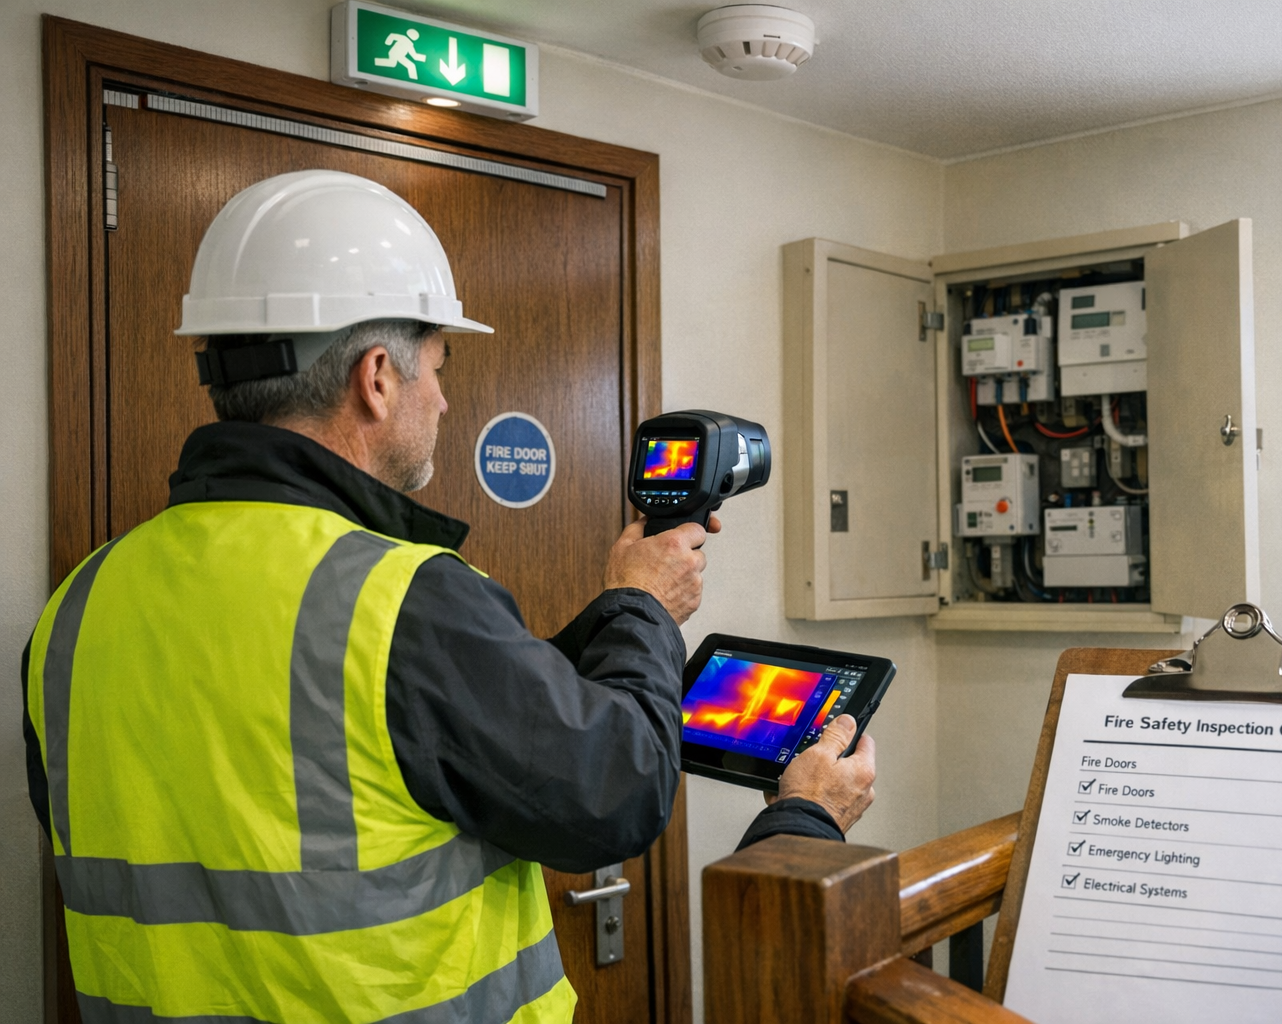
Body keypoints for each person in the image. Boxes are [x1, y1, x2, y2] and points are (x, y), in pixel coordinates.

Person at [21, 170, 875, 1022]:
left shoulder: (79, 606)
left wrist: (621, 605)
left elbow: (365, 756)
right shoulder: (400, 601)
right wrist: (649, 612)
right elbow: (617, 795)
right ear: (378, 377)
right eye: (438, 365)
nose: (444, 397)